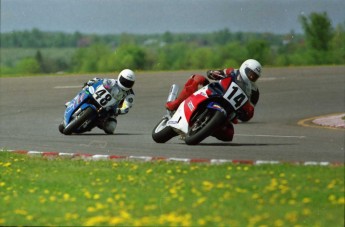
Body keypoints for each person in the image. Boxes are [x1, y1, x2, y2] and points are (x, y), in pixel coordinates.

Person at [165, 59, 262, 141]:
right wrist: (213, 73)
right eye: (250, 73)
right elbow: (215, 73)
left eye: (254, 76)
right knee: (198, 78)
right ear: (244, 68)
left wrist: (246, 112)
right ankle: (174, 104)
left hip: (228, 112)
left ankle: (205, 129)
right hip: (215, 93)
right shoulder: (232, 72)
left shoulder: (254, 91)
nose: (251, 77)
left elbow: (250, 111)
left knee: (229, 135)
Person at [67, 69, 135, 134]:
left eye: (129, 83)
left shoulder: (130, 95)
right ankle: (73, 103)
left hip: (112, 109)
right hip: (98, 97)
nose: (125, 83)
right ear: (120, 76)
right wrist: (92, 81)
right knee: (86, 91)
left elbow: (126, 107)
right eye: (124, 80)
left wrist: (120, 110)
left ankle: (98, 123)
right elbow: (100, 81)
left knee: (110, 128)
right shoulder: (112, 82)